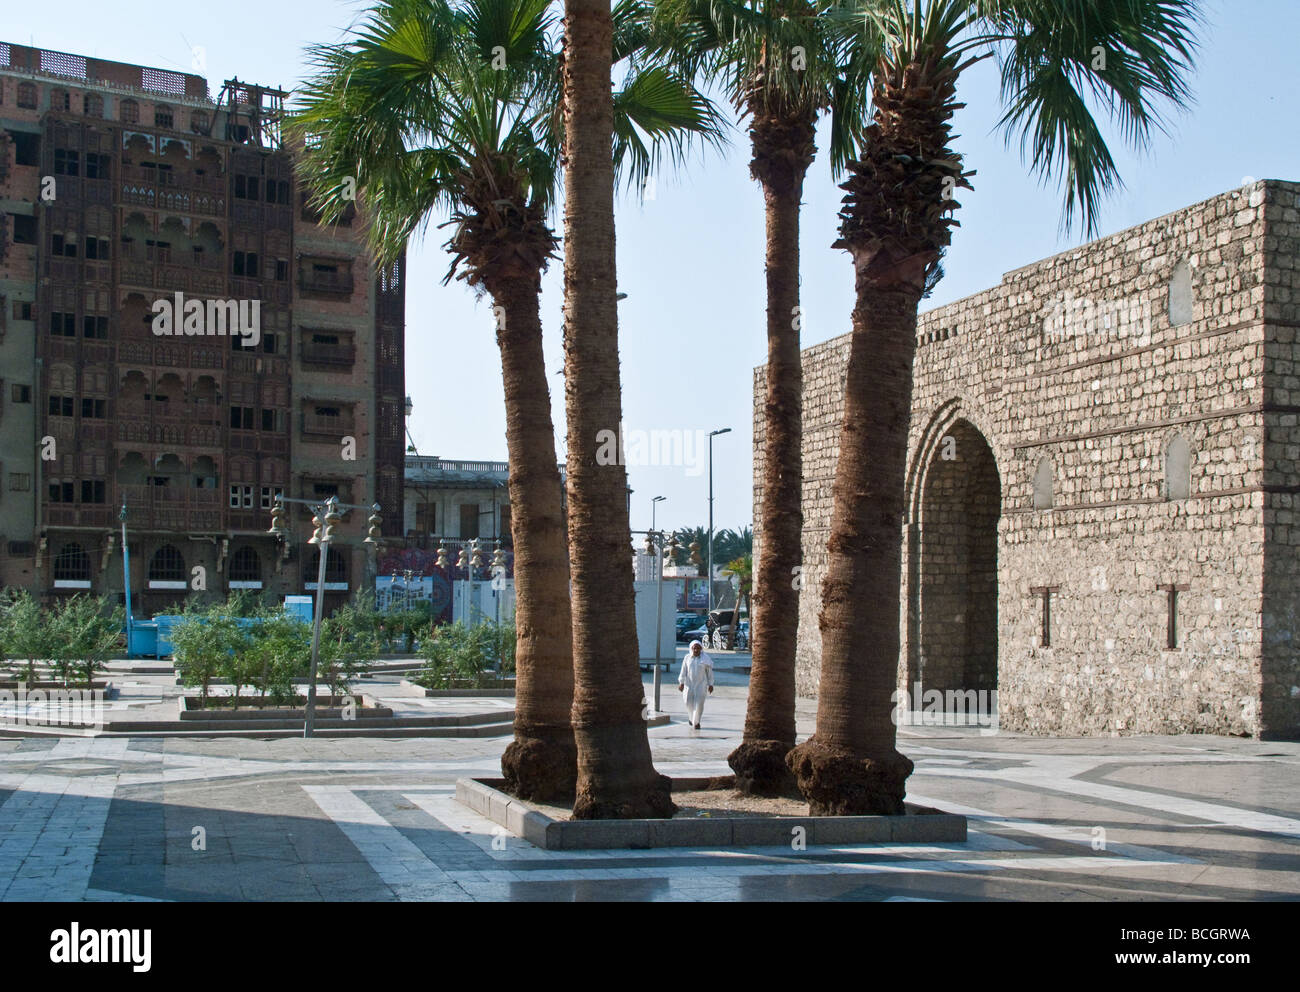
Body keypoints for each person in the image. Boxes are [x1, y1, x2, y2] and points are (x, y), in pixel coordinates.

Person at [678, 639, 714, 729]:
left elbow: (709, 673)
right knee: (688, 702)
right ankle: (691, 719)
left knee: (699, 704)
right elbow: (683, 670)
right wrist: (681, 682)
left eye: (698, 648)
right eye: (694, 648)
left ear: (701, 649)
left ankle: (696, 722)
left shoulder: (705, 659)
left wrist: (711, 684)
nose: (696, 650)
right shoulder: (687, 658)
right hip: (689, 685)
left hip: (701, 685)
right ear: (691, 649)